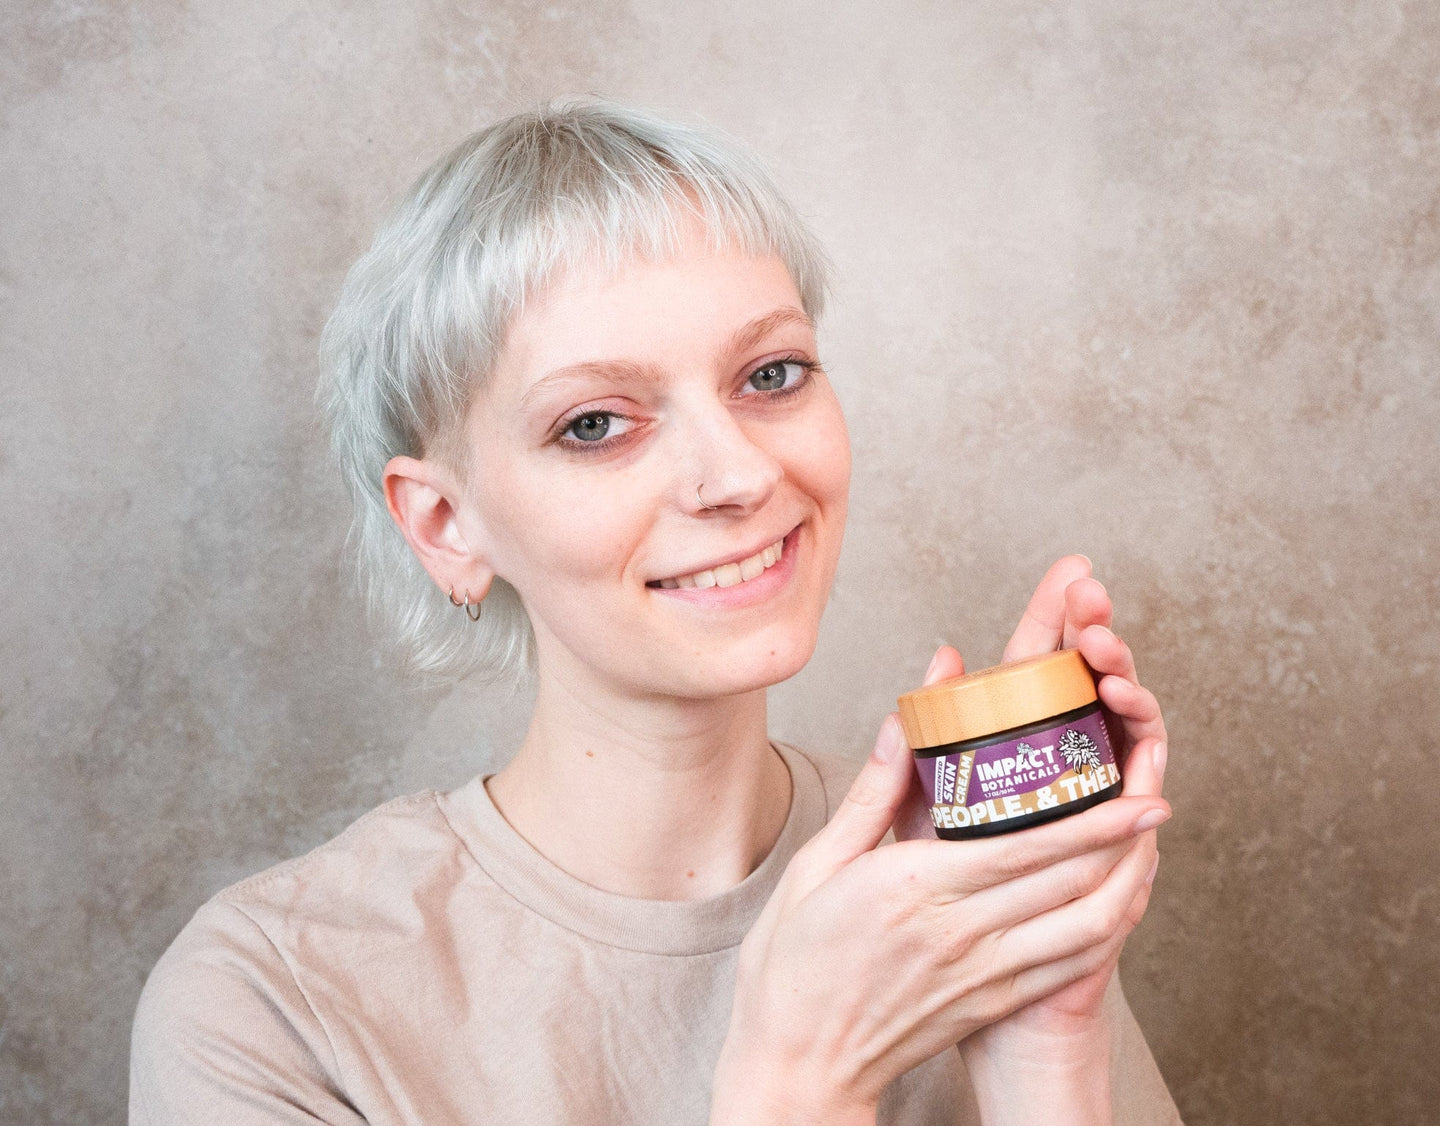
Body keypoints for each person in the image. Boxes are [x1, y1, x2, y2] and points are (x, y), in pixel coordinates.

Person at [129, 97, 1181, 1124]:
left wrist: (1044, 1034)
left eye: (771, 373)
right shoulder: (272, 1005)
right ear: (445, 523)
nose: (736, 473)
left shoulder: (950, 887)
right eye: (596, 424)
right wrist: (799, 1083)